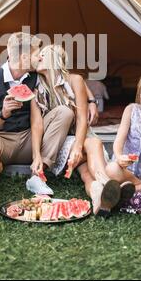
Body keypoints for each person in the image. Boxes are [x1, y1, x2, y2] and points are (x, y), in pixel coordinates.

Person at [0, 32, 76, 217]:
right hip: (2, 141)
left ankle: (38, 175)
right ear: (24, 57)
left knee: (64, 112)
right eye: (37, 53)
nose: (39, 57)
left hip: (28, 138)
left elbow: (36, 120)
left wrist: (37, 155)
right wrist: (3, 114)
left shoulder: (35, 78)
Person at [32, 44, 123, 215]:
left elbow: (82, 119)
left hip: (79, 137)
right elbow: (37, 125)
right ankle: (109, 184)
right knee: (94, 142)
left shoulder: (75, 80)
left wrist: (77, 146)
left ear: (55, 59)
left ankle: (99, 199)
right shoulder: (36, 86)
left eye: (43, 54)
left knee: (87, 174)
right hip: (57, 143)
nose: (38, 57)